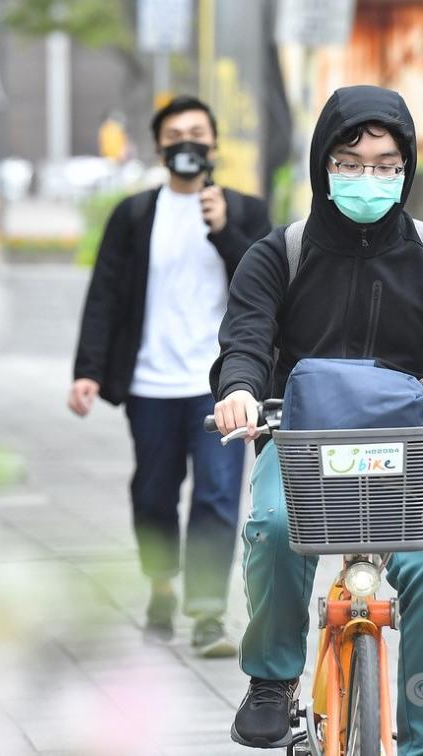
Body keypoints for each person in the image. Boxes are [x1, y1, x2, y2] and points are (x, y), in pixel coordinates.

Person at [210, 85, 423, 753]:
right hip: (306, 443)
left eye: (385, 163)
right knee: (274, 525)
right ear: (323, 165)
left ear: (407, 168)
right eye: (350, 160)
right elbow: (246, 339)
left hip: (416, 450)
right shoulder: (278, 253)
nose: (367, 176)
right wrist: (239, 392)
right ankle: (273, 675)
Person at [69, 96, 272, 657]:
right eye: (175, 134)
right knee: (154, 493)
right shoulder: (133, 215)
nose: (188, 144)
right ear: (159, 147)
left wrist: (226, 230)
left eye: (198, 134)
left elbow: (266, 288)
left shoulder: (246, 211)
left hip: (221, 385)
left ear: (213, 145)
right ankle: (161, 584)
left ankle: (207, 613)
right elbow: (104, 296)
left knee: (216, 496)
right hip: (150, 383)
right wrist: (88, 371)